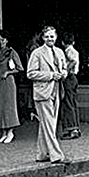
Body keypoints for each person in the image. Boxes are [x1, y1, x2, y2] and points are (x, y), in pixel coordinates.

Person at [25, 25, 70, 165]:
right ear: (43, 38)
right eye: (47, 36)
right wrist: (50, 75)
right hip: (43, 92)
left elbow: (64, 68)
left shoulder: (59, 52)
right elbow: (30, 73)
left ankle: (42, 154)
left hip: (57, 90)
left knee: (48, 123)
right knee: (50, 124)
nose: (50, 39)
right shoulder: (37, 53)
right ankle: (57, 156)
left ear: (56, 37)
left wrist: (63, 73)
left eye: (52, 36)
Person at [0, 29, 23, 143]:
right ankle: (3, 133)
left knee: (9, 107)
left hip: (8, 82)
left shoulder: (11, 52)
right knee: (0, 107)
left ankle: (10, 132)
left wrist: (8, 72)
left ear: (7, 40)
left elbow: (20, 68)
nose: (0, 42)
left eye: (3, 40)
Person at [57, 32, 81, 140]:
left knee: (68, 103)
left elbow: (73, 61)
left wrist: (65, 70)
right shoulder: (73, 50)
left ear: (62, 42)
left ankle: (73, 129)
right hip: (73, 78)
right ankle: (74, 128)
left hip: (69, 77)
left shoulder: (68, 51)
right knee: (72, 102)